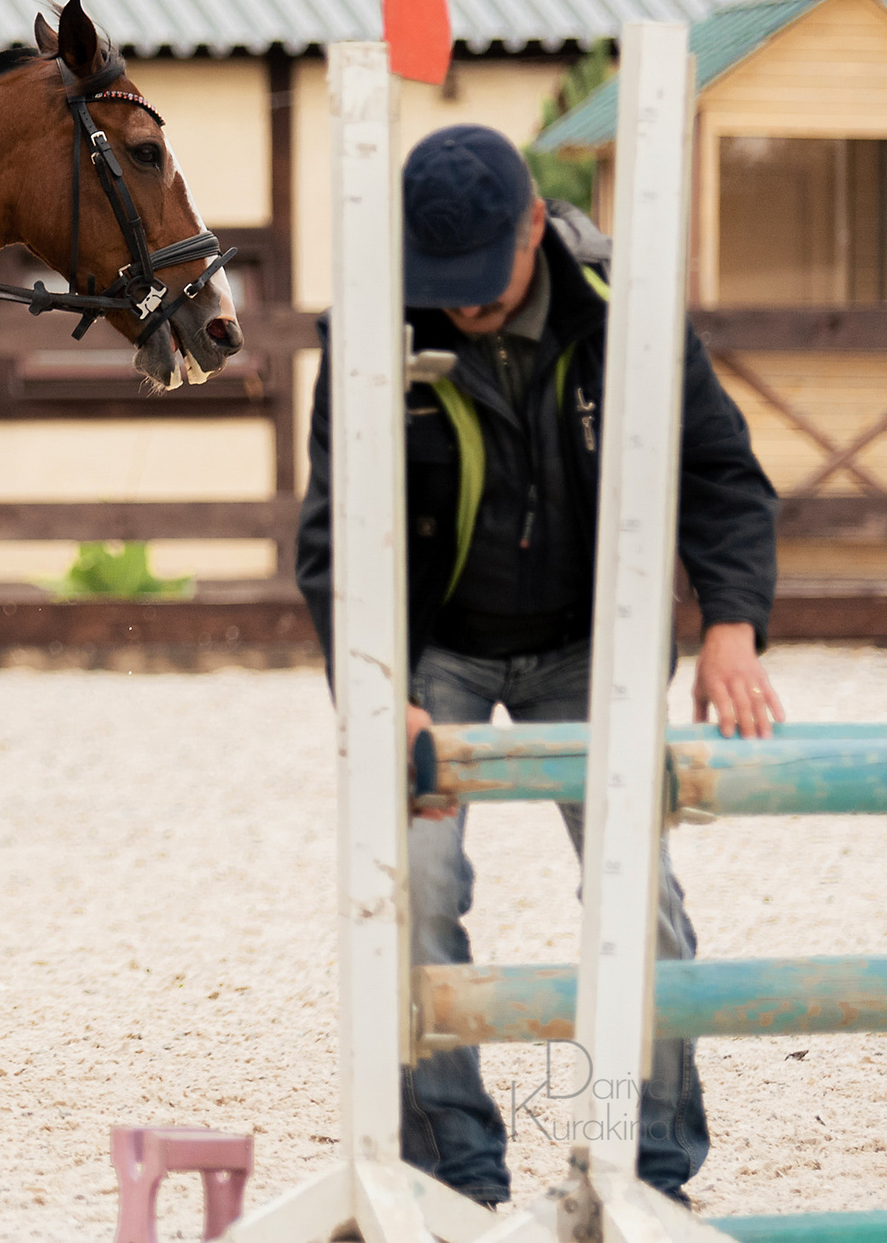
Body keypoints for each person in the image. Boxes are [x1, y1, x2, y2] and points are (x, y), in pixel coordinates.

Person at [296, 124, 782, 1210]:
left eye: (483, 279)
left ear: (533, 224)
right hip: (438, 644)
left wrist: (731, 621)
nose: (462, 306)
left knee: (641, 892)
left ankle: (647, 1166)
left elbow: (720, 472)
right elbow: (333, 534)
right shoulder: (374, 333)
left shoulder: (626, 311)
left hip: (589, 640)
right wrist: (385, 696)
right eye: (442, 283)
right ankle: (455, 1170)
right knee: (413, 886)